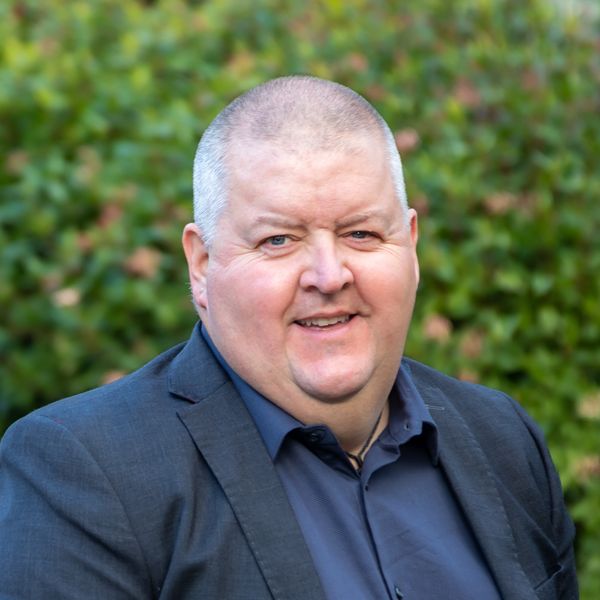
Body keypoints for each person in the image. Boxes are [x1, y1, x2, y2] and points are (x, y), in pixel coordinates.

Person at [0, 76, 577, 600]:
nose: (328, 276)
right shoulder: (87, 475)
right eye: (278, 240)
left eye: (361, 233)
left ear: (411, 245)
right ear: (201, 265)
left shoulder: (504, 437)